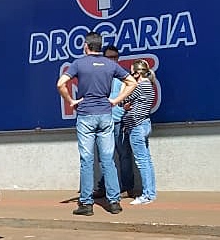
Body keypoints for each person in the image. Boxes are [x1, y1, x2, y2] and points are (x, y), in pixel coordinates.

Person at [57, 32, 136, 216]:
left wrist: (71, 101)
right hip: (105, 115)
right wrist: (116, 100)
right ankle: (114, 202)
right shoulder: (110, 64)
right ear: (100, 46)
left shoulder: (79, 63)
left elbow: (61, 83)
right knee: (108, 160)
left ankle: (86, 204)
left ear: (86, 45)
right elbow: (131, 82)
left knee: (87, 160)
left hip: (85, 115)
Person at [93, 45, 134, 199]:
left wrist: (124, 114)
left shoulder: (123, 76)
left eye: (115, 57)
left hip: (119, 120)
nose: (113, 60)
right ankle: (104, 187)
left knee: (124, 155)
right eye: (109, 57)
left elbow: (131, 96)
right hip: (102, 120)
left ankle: (127, 187)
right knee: (104, 157)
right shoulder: (97, 75)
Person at [122, 59, 158, 205]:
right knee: (146, 160)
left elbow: (122, 99)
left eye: (132, 72)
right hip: (144, 124)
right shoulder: (148, 85)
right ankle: (151, 193)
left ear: (137, 73)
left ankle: (147, 195)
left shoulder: (140, 86)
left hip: (137, 126)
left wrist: (125, 102)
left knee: (142, 161)